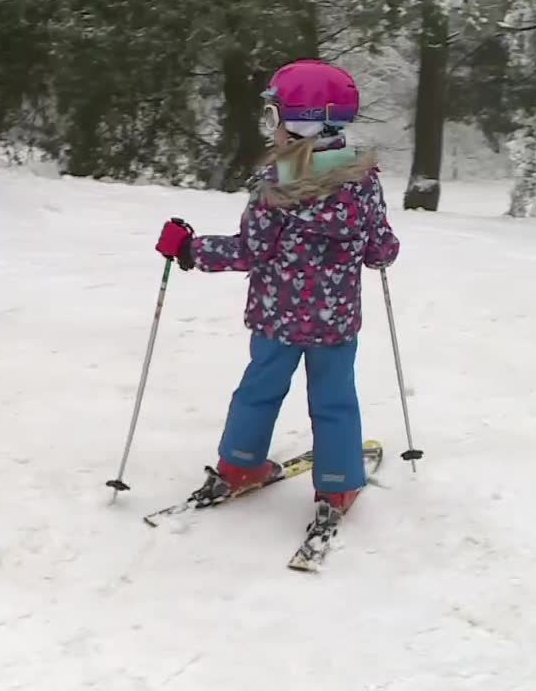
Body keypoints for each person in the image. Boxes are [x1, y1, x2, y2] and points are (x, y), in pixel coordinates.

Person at [153, 59, 400, 526]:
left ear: (304, 126)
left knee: (259, 390)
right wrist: (384, 251)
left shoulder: (275, 186)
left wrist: (189, 249)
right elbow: (379, 248)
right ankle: (338, 482)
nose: (275, 129)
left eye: (277, 118)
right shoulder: (363, 185)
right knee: (334, 400)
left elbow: (247, 251)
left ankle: (241, 463)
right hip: (335, 324)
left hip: (276, 319)